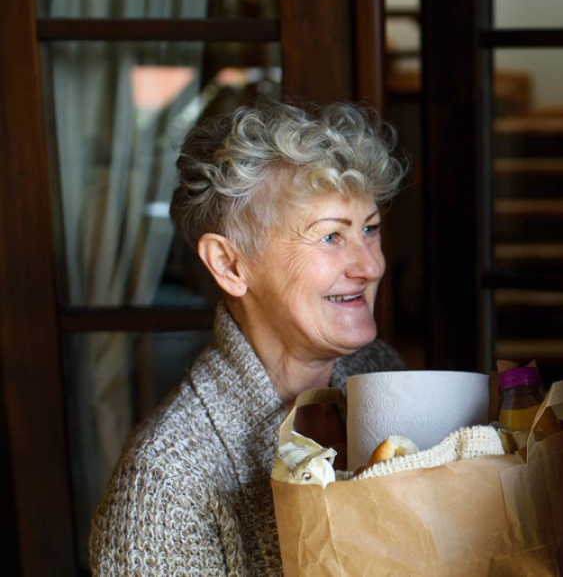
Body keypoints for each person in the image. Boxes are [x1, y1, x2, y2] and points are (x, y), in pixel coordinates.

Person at [89, 101, 409, 574]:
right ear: (230, 265)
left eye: (370, 229)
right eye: (329, 237)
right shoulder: (165, 485)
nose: (371, 266)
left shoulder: (380, 370)